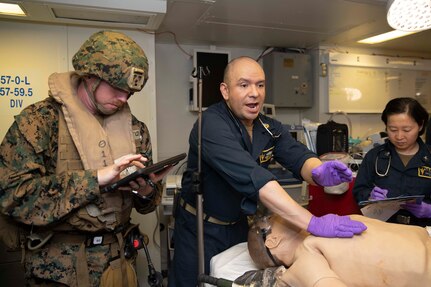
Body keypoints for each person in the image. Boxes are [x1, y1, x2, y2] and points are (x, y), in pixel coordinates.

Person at [168, 56, 366, 287]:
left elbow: (297, 156)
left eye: (260, 85)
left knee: (232, 282)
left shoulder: (268, 127)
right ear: (225, 90)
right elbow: (254, 177)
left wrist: (318, 171)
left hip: (239, 226)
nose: (255, 93)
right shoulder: (211, 124)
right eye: (244, 85)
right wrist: (312, 223)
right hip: (200, 229)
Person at [0, 30, 170, 286]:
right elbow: (13, 197)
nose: (124, 99)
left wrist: (146, 190)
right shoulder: (40, 122)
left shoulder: (136, 129)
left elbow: (147, 204)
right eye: (116, 88)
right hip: (59, 270)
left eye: (130, 93)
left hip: (119, 264)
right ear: (89, 77)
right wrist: (95, 180)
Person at [245, 213, 431, 287]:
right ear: (272, 241)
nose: (284, 212)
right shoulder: (306, 256)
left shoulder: (322, 229)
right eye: (274, 217)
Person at [353, 97, 431, 226]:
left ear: (420, 125)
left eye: (406, 130)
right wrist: (370, 197)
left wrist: (429, 211)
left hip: (422, 231)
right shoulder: (375, 156)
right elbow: (359, 191)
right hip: (383, 229)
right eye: (393, 130)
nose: (399, 136)